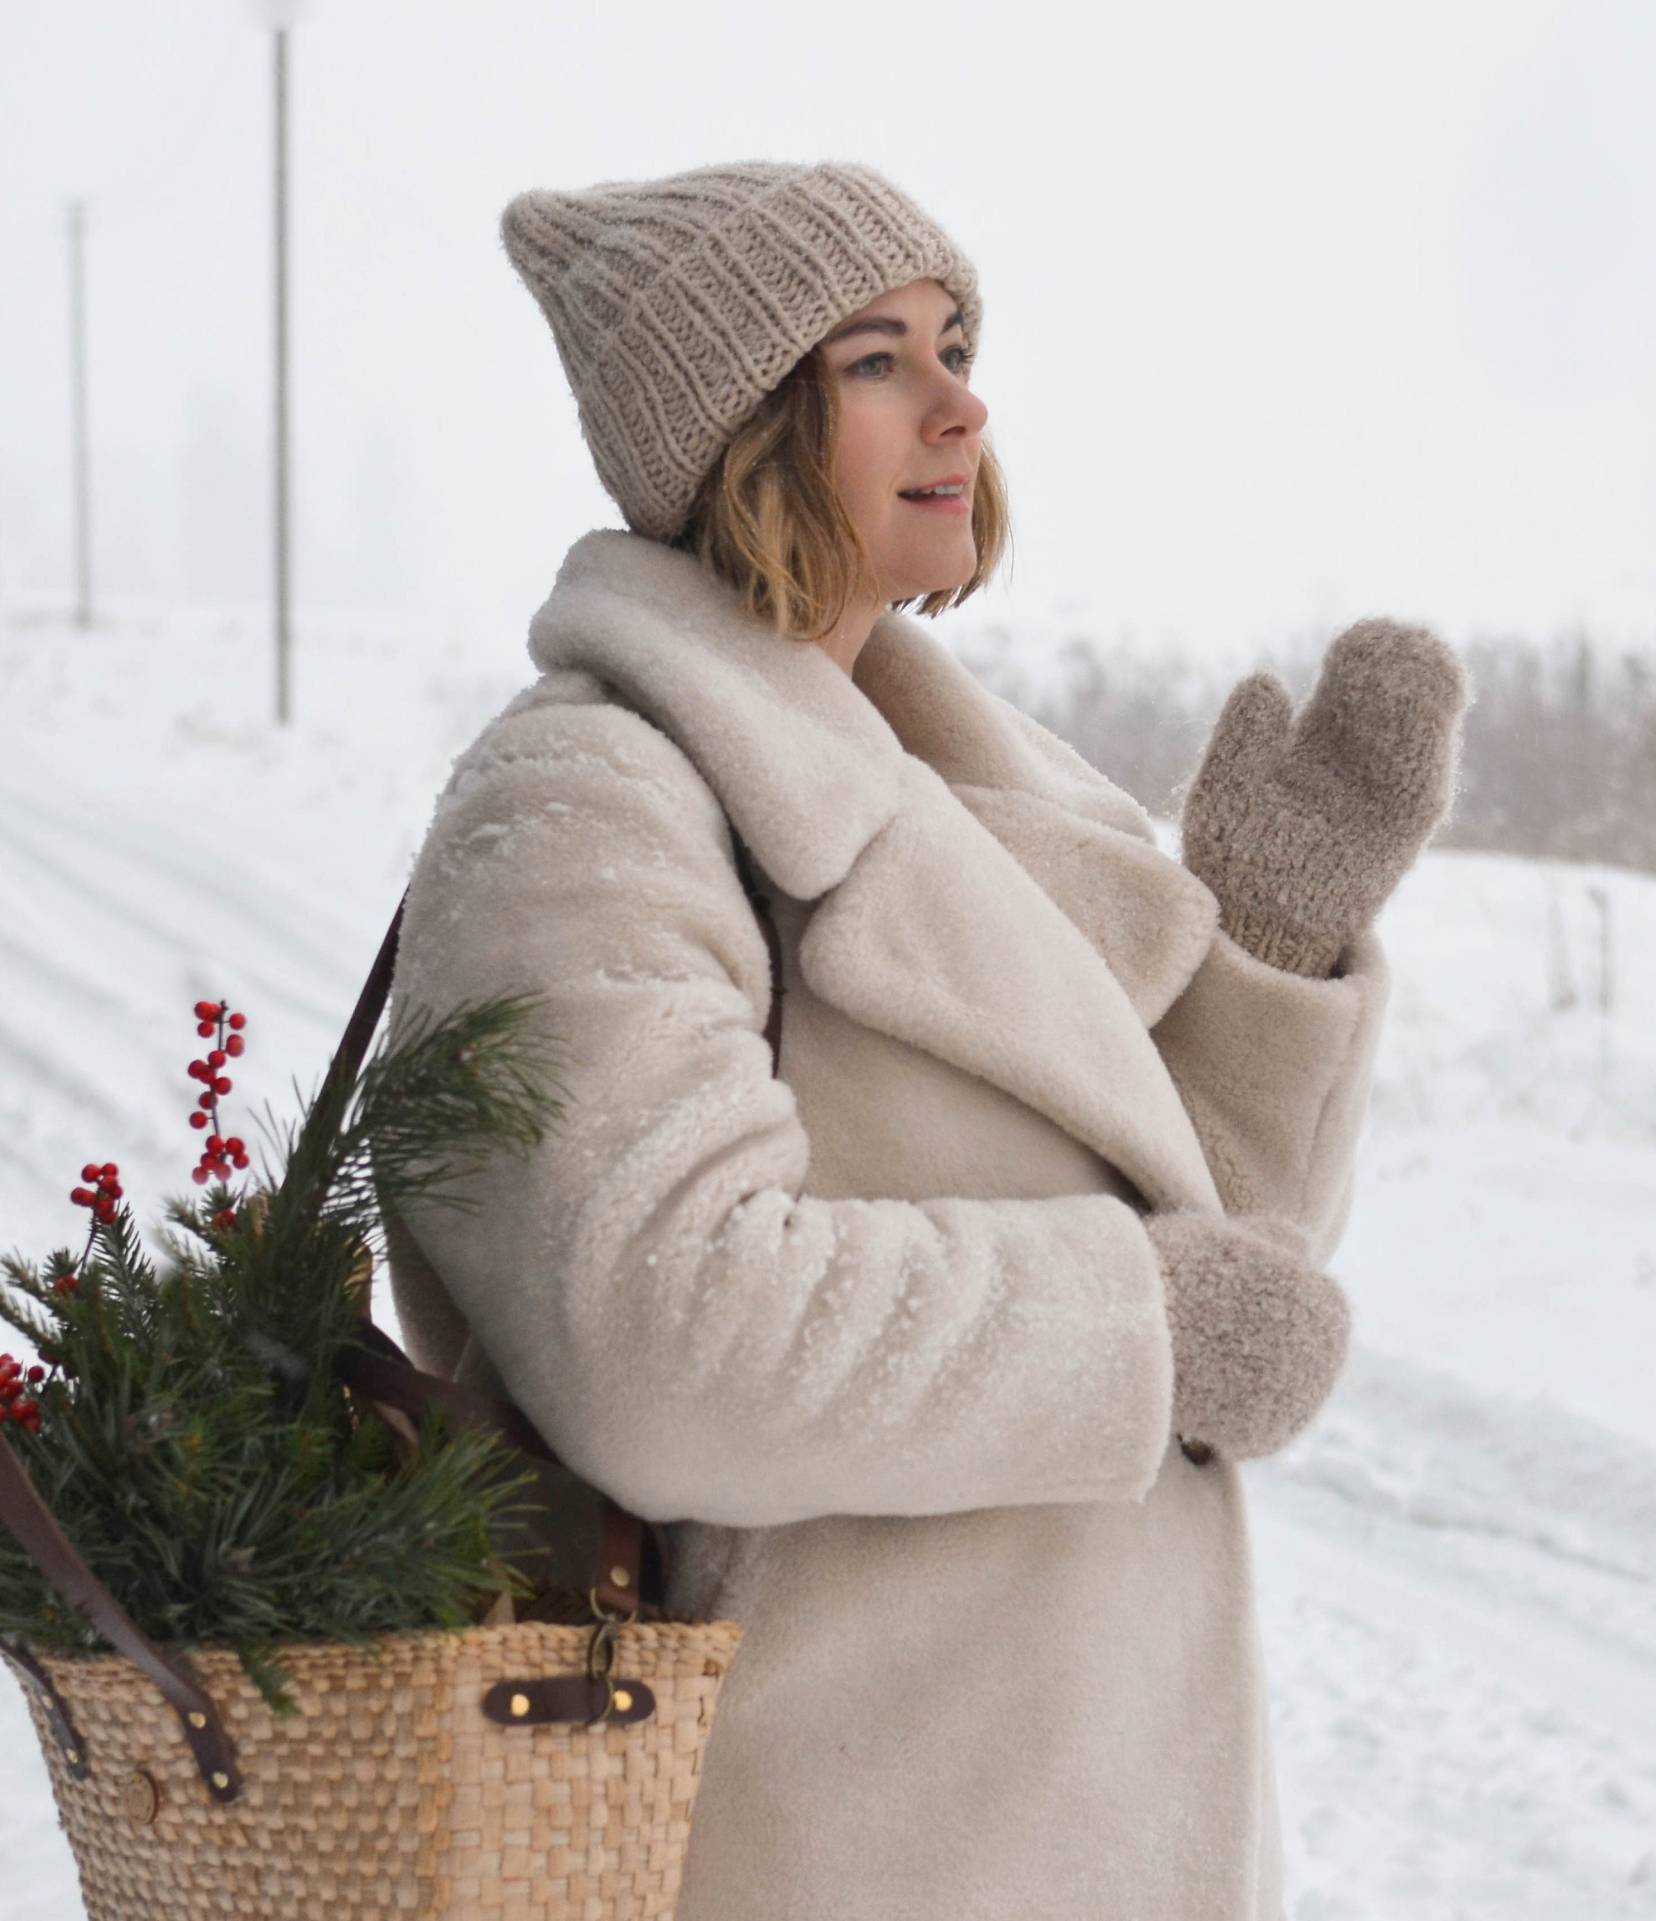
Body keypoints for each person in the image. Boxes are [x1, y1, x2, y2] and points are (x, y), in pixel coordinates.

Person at [382, 158, 1468, 1921]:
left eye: (955, 341)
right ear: (736, 431)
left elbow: (1217, 1249)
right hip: (824, 1831)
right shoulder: (593, 794)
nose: (961, 397)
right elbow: (657, 1326)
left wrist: (1265, 946)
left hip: (1085, 1819)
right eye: (874, 359)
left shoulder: (979, 793)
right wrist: (1140, 1333)